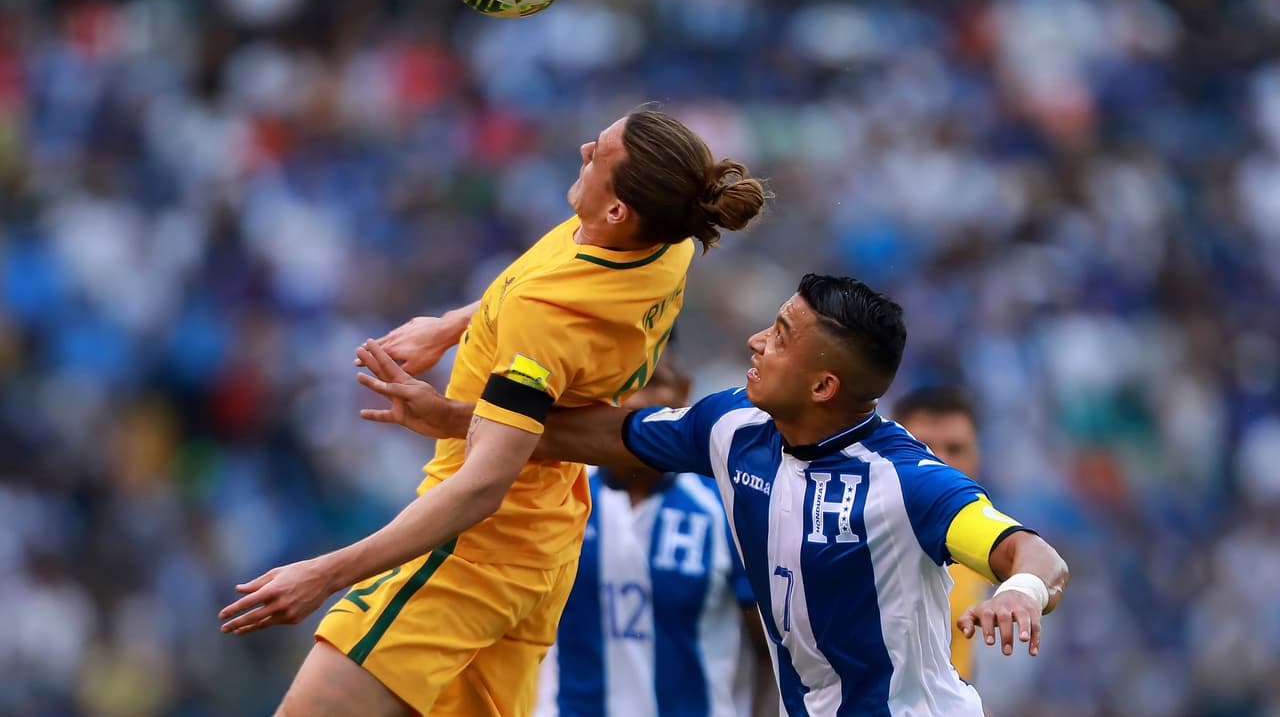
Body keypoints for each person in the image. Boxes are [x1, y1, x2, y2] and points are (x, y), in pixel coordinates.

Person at [218, 109, 767, 717]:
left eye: (600, 154)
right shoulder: (668, 243)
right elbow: (542, 286)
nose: (584, 147)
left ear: (618, 211)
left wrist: (325, 574)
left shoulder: (549, 314)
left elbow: (482, 485)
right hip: (545, 540)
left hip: (473, 553)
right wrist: (453, 327)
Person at [356, 273, 1069, 716]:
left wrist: (1020, 591)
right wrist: (451, 416)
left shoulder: (906, 479)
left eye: (780, 336)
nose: (756, 340)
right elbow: (604, 434)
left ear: (824, 385)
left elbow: (1031, 552)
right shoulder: (734, 427)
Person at [534, 345, 776, 717]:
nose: (633, 401)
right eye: (619, 385)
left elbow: (771, 652)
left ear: (683, 391)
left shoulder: (729, 507)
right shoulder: (555, 498)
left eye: (651, 383)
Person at [893, 386, 989, 685]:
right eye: (923, 446)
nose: (939, 463)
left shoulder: (987, 554)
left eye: (955, 449)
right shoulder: (853, 540)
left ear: (976, 461)